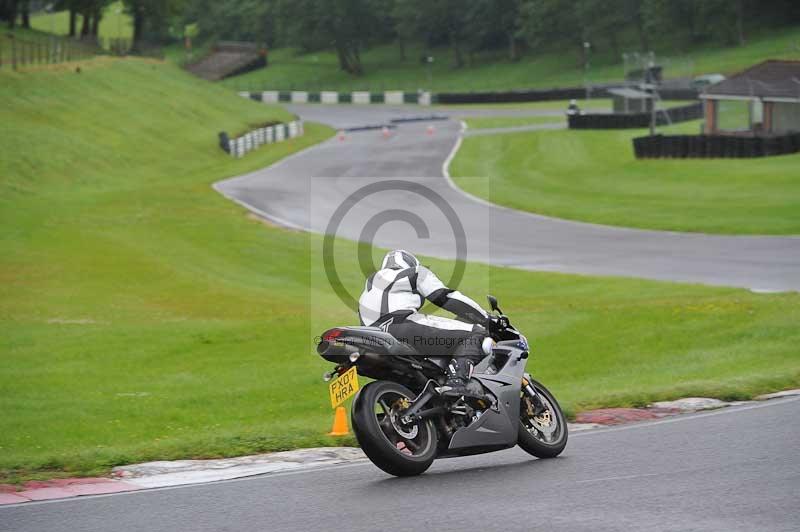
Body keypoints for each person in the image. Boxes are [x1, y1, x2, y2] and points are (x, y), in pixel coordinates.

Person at [358, 249, 491, 397]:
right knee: (475, 333)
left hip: (375, 339)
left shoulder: (367, 290)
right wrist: (484, 317)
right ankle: (457, 383)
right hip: (403, 326)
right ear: (410, 263)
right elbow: (446, 297)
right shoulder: (414, 272)